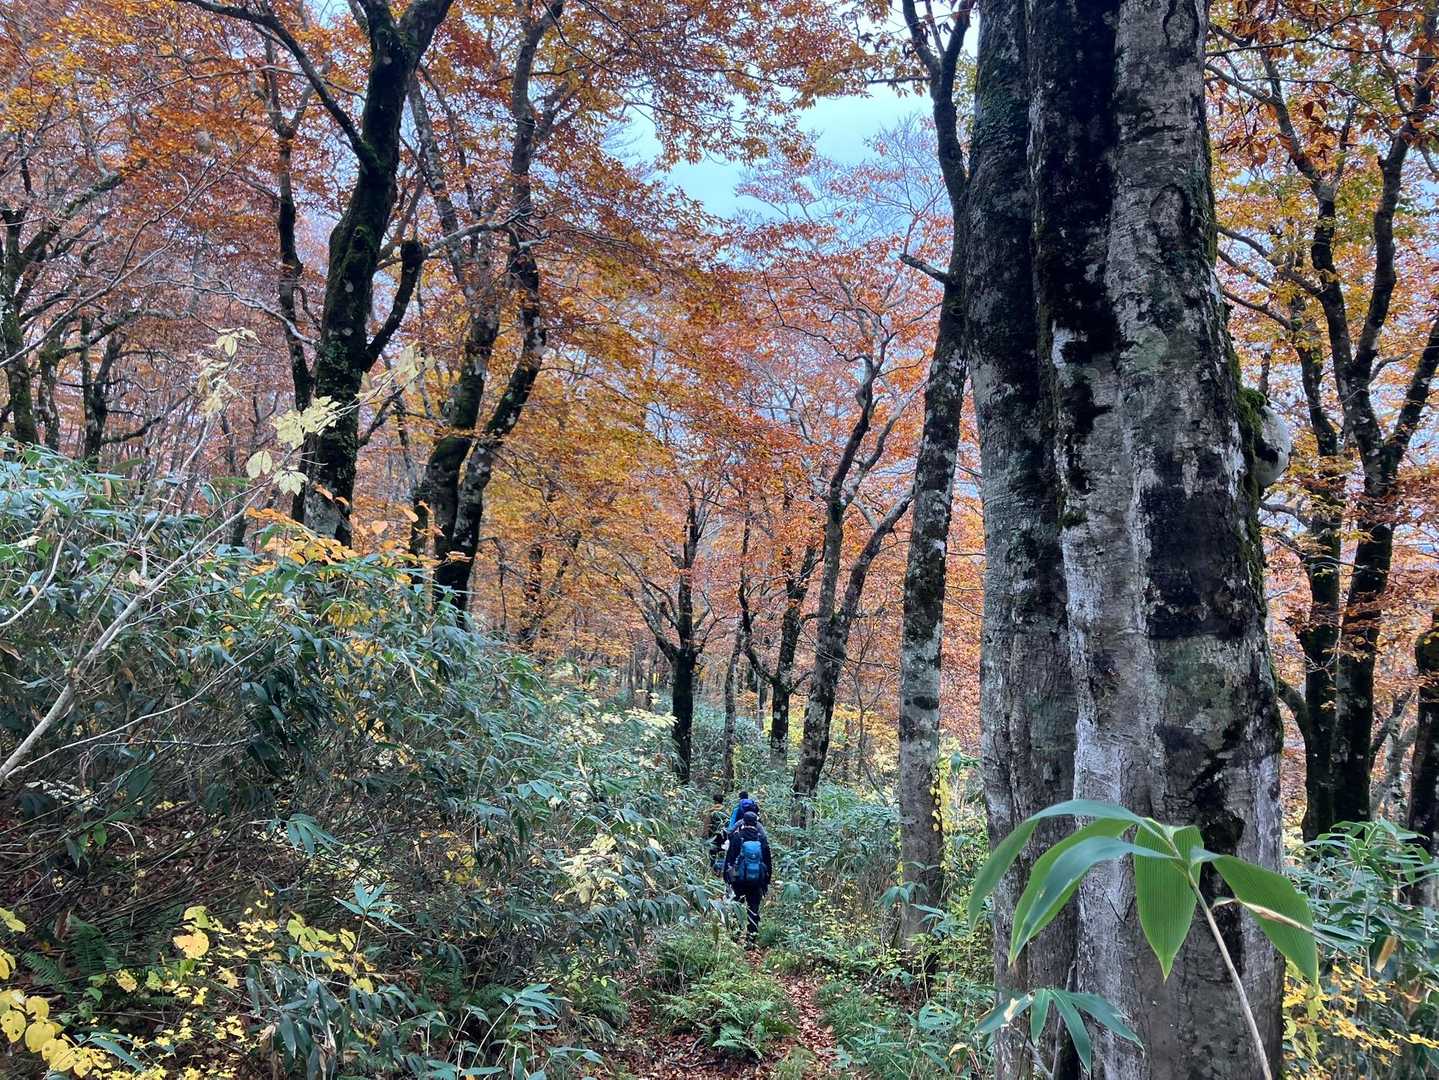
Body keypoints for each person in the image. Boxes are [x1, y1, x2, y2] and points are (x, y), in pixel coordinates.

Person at [724, 809, 772, 944]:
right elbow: (768, 861)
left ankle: (735, 936)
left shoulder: (737, 837)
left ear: (743, 822)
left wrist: (727, 878)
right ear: (756, 823)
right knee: (753, 907)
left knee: (737, 906)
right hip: (757, 881)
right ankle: (751, 939)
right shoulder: (761, 838)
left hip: (738, 880)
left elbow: (730, 859)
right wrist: (766, 881)